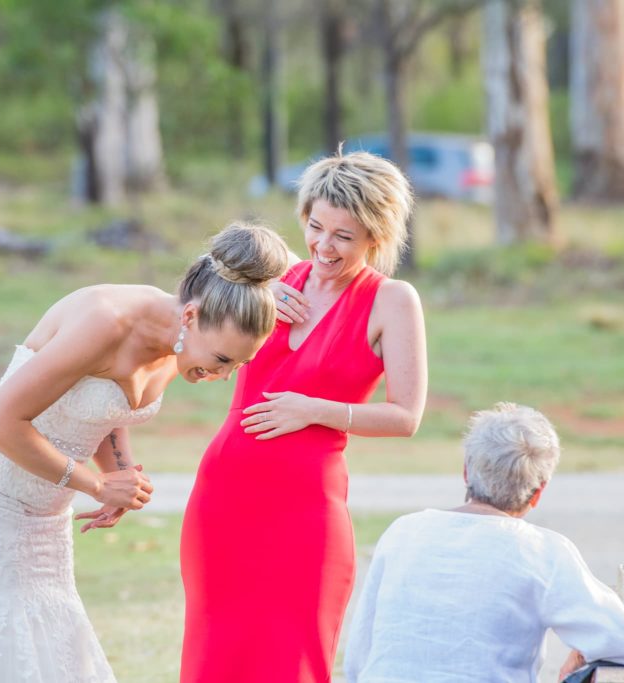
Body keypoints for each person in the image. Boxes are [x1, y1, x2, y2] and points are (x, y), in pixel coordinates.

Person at [0, 223, 288, 683]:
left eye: (239, 365)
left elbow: (105, 407)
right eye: (223, 360)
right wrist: (96, 483)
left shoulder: (176, 341)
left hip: (44, 507)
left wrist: (118, 476)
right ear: (190, 317)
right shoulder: (106, 320)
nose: (223, 376)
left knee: (46, 641)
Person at [179, 151, 429, 683]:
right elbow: (190, 349)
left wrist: (313, 410)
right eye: (316, 227)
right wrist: (257, 299)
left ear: (375, 238)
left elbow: (406, 416)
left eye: (344, 235)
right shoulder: (271, 284)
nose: (323, 246)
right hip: (223, 499)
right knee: (214, 657)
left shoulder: (391, 301)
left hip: (305, 513)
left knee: (292, 659)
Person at [343, 402, 624, 683]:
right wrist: (584, 651)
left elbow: (358, 659)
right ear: (539, 491)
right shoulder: (542, 551)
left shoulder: (403, 532)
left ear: (466, 471)